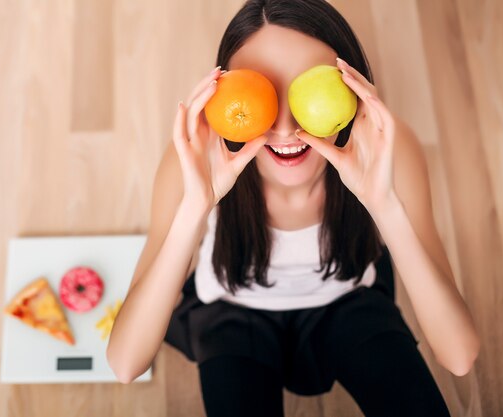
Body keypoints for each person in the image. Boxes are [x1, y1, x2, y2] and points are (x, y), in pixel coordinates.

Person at [106, 1, 480, 416]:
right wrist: (195, 207)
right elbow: (125, 363)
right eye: (260, 91)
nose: (285, 128)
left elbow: (459, 356)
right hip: (235, 314)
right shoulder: (195, 158)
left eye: (308, 89)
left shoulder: (388, 149)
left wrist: (383, 203)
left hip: (348, 302)